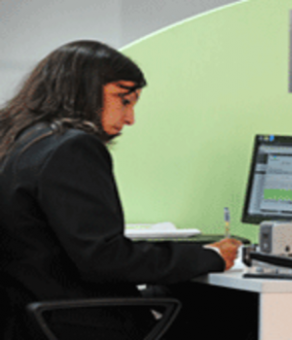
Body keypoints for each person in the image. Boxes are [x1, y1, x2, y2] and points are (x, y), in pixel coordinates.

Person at [0, 40, 241, 339]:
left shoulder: (21, 140)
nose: (130, 119)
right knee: (228, 318)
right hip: (75, 320)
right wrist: (209, 257)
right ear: (82, 89)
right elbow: (104, 259)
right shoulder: (71, 147)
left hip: (27, 315)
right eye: (123, 99)